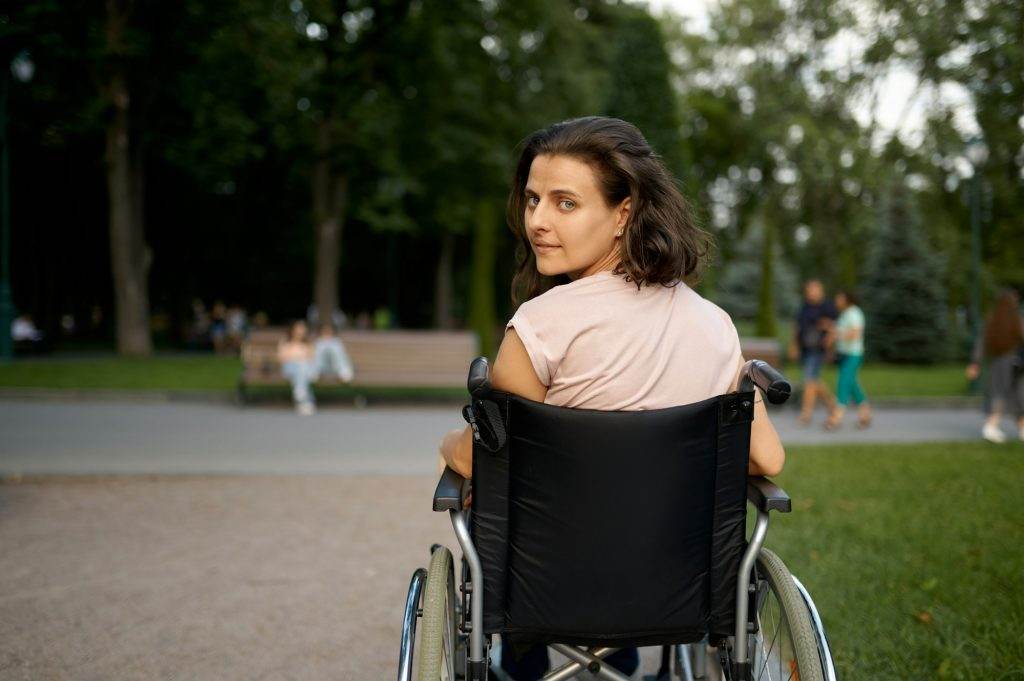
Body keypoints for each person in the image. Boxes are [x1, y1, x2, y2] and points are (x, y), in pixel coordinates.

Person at [436, 116, 785, 681]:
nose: (537, 222)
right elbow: (767, 462)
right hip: (676, 585)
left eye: (564, 203)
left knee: (486, 500)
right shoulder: (715, 326)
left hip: (546, 587)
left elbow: (486, 460)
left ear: (623, 212)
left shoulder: (540, 325)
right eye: (531, 200)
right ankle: (619, 659)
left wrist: (451, 444)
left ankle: (529, 669)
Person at [966, 289, 1024, 443]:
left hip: (998, 362)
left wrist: (975, 363)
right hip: (1014, 362)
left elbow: (981, 344)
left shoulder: (992, 321)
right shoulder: (1017, 320)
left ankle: (1018, 427)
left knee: (1002, 393)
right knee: (1014, 394)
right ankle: (991, 426)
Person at [788, 279, 837, 425]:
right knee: (814, 381)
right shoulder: (804, 307)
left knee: (809, 380)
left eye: (814, 289)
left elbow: (835, 327)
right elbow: (796, 327)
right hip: (805, 349)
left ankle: (806, 413)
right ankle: (832, 404)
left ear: (821, 291)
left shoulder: (827, 307)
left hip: (819, 349)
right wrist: (794, 346)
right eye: (809, 290)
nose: (811, 293)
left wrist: (830, 343)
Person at [824, 290, 871, 430]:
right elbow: (840, 331)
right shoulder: (844, 314)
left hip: (853, 354)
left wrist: (837, 333)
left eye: (839, 299)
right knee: (852, 384)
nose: (836, 301)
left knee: (843, 382)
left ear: (847, 300)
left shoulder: (854, 313)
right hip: (844, 354)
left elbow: (856, 333)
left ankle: (836, 417)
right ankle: (865, 414)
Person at [278, 320, 317, 416]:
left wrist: (298, 358)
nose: (300, 331)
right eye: (298, 329)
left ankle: (301, 397)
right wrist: (298, 358)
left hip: (304, 369)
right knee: (301, 368)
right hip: (289, 368)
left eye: (302, 329)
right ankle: (306, 401)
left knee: (302, 369)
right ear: (292, 330)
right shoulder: (285, 341)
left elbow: (312, 357)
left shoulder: (308, 343)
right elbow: (282, 358)